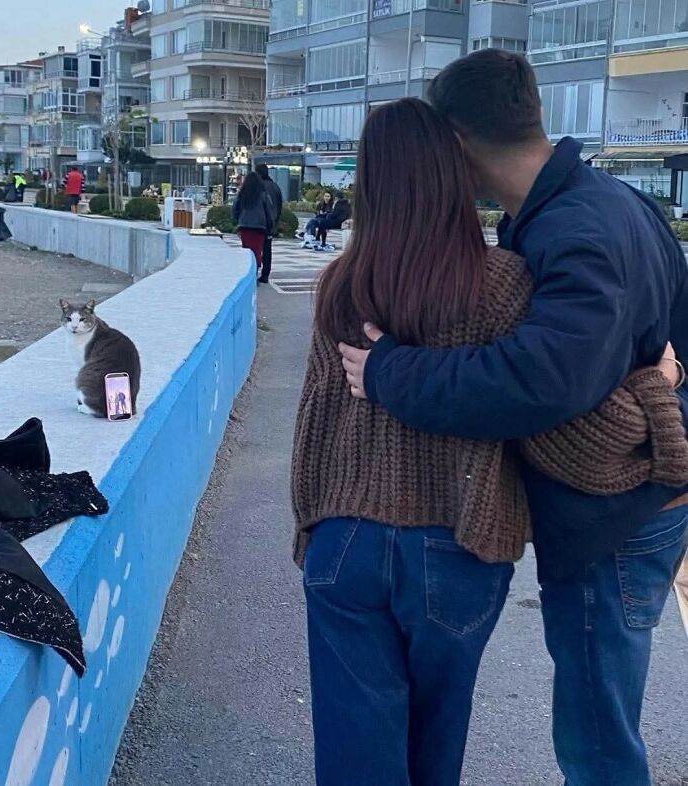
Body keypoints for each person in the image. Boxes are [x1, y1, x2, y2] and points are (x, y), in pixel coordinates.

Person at [292, 97, 688, 786]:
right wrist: (661, 388)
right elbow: (568, 424)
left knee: (355, 753)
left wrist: (311, 528)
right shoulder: (505, 282)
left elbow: (314, 427)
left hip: (343, 540)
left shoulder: (340, 283)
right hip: (457, 547)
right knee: (434, 745)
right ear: (451, 170)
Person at [232, 170, 275, 277]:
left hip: (244, 226)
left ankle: (247, 273)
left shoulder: (242, 194)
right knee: (256, 250)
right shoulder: (263, 195)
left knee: (246, 249)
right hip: (259, 227)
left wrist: (239, 220)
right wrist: (270, 228)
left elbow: (235, 209)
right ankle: (254, 272)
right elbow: (269, 212)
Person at [255, 163, 283, 284]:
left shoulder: (258, 186)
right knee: (267, 249)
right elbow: (280, 205)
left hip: (258, 222)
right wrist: (275, 221)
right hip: (271, 222)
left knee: (255, 248)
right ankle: (265, 274)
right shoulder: (275, 186)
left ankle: (255, 271)